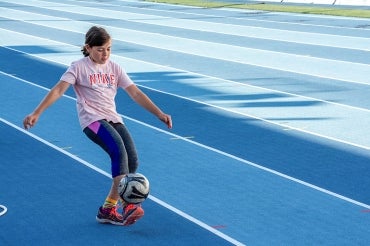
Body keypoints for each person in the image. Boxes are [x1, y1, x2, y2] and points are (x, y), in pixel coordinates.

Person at [23, 26, 172, 226]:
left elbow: (135, 93)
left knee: (132, 162)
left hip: (113, 118)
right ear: (88, 47)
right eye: (100, 49)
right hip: (92, 121)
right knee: (118, 152)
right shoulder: (78, 67)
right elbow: (59, 90)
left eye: (109, 49)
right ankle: (128, 204)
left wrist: (159, 113)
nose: (105, 54)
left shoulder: (115, 68)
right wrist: (37, 112)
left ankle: (108, 210)